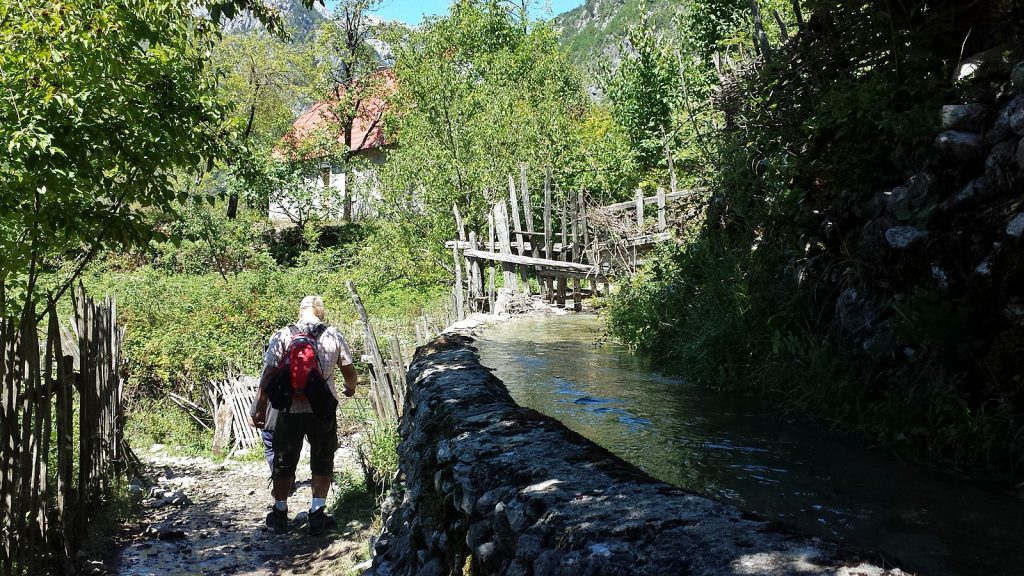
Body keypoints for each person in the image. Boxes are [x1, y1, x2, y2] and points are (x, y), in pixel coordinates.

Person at [250, 295, 359, 534]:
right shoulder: (333, 335)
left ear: (301, 312)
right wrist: (350, 388)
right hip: (322, 409)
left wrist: (259, 406)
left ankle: (280, 513)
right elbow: (349, 370)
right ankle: (317, 514)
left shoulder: (282, 335)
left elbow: (268, 374)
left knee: (283, 461)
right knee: (322, 460)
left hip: (289, 409)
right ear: (321, 312)